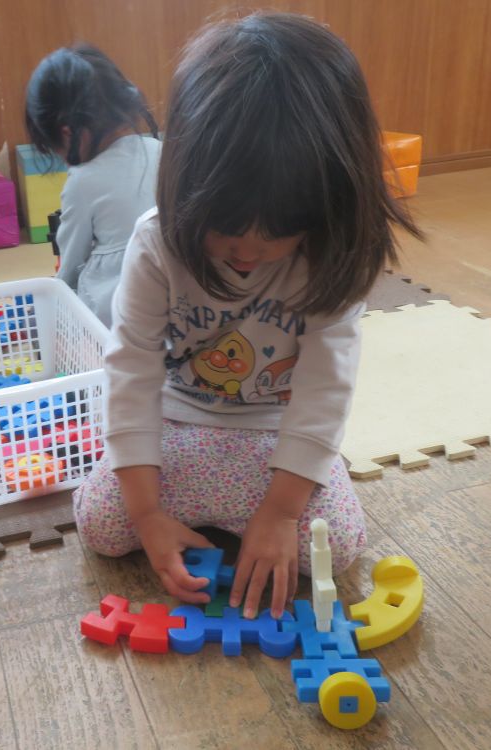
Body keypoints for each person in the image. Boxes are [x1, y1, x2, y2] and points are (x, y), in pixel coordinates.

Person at [74, 12, 422, 620]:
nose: (247, 251)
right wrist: (148, 514)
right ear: (185, 180)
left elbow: (323, 388)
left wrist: (282, 512)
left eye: (278, 231)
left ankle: (250, 518)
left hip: (274, 438)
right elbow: (130, 370)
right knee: (104, 523)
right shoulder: (156, 244)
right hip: (176, 424)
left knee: (337, 545)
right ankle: (189, 516)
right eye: (225, 225)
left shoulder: (335, 250)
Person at [25, 44, 161, 327]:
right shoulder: (159, 149)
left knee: (80, 290)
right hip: (173, 291)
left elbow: (72, 259)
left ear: (68, 133)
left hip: (120, 308)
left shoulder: (83, 180)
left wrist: (56, 304)